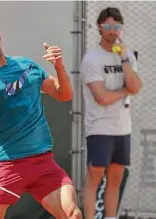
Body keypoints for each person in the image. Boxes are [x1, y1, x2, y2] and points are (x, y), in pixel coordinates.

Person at [0, 16, 82, 219]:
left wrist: (59, 67)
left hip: (42, 162)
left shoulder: (27, 66)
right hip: (8, 165)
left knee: (72, 214)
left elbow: (64, 94)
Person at [80, 7, 142, 219]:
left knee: (115, 178)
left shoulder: (127, 55)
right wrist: (125, 90)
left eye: (117, 27)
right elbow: (102, 98)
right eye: (108, 26)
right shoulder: (92, 59)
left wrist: (124, 59)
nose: (112, 31)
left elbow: (136, 86)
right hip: (99, 127)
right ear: (99, 27)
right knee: (95, 176)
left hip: (123, 128)